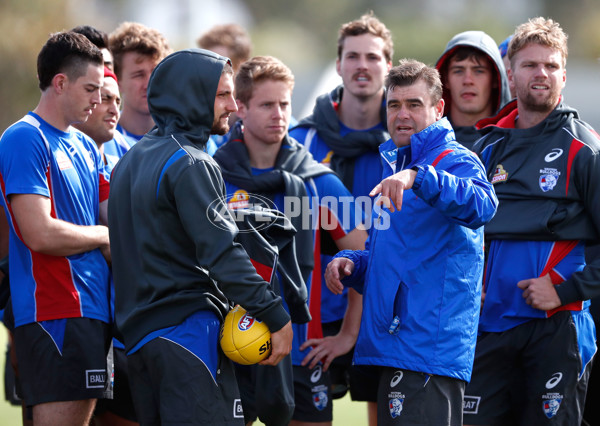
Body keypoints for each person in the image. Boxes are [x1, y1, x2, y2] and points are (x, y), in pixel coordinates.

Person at [107, 48, 293, 425]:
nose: (234, 105)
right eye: (223, 95)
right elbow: (222, 254)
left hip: (139, 344)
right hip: (187, 336)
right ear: (192, 95)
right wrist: (275, 315)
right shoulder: (191, 161)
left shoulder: (130, 160)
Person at [325, 59, 498, 425]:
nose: (402, 114)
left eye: (414, 104)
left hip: (428, 352)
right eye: (394, 105)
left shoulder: (454, 160)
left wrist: (419, 176)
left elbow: (483, 204)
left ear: (439, 109)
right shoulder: (395, 167)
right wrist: (354, 263)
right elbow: (392, 260)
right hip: (396, 349)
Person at [214, 56, 368, 426]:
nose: (279, 114)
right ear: (242, 108)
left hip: (300, 348)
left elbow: (367, 255)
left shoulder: (316, 181)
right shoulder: (214, 176)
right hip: (229, 343)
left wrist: (348, 334)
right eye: (267, 104)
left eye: (284, 104)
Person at [463, 17, 600, 426]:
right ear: (510, 73)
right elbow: (461, 233)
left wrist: (565, 289)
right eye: (530, 65)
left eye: (551, 66)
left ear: (563, 75)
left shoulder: (585, 149)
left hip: (556, 329)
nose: (541, 73)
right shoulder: (485, 148)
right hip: (487, 327)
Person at [0, 31, 111, 425]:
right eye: (91, 89)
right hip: (55, 311)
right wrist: (104, 236)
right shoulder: (23, 138)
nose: (98, 100)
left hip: (96, 310)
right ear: (60, 83)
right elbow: (40, 233)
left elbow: (113, 224)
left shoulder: (87, 147)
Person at [289, 12, 393, 420]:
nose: (362, 65)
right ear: (338, 65)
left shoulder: (404, 145)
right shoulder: (300, 141)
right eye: (352, 56)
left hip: (384, 312)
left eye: (372, 57)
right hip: (316, 315)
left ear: (388, 65)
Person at [72, 67, 138, 426]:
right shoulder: (43, 147)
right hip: (66, 318)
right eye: (103, 97)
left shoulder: (124, 162)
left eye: (116, 99)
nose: (112, 107)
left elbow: (125, 240)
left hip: (124, 329)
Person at [435, 30, 511, 149]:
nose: (468, 80)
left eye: (478, 71)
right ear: (445, 79)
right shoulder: (424, 141)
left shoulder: (514, 141)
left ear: (495, 79)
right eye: (458, 71)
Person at [108, 21, 171, 146]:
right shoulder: (100, 141)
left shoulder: (187, 138)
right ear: (117, 80)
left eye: (156, 72)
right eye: (139, 75)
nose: (149, 84)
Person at [197, 22, 253, 154]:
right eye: (204, 63)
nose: (208, 72)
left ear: (241, 66)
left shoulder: (272, 119)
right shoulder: (194, 119)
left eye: (218, 64)